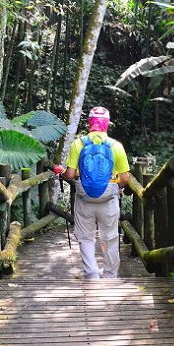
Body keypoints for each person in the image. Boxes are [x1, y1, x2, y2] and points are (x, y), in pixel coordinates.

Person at [62, 106, 131, 280]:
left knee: (85, 238)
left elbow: (70, 175)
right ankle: (110, 276)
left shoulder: (78, 143)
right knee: (110, 238)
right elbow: (125, 178)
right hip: (108, 198)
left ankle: (92, 275)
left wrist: (62, 172)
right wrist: (116, 186)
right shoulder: (116, 146)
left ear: (89, 124)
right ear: (107, 124)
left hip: (84, 198)